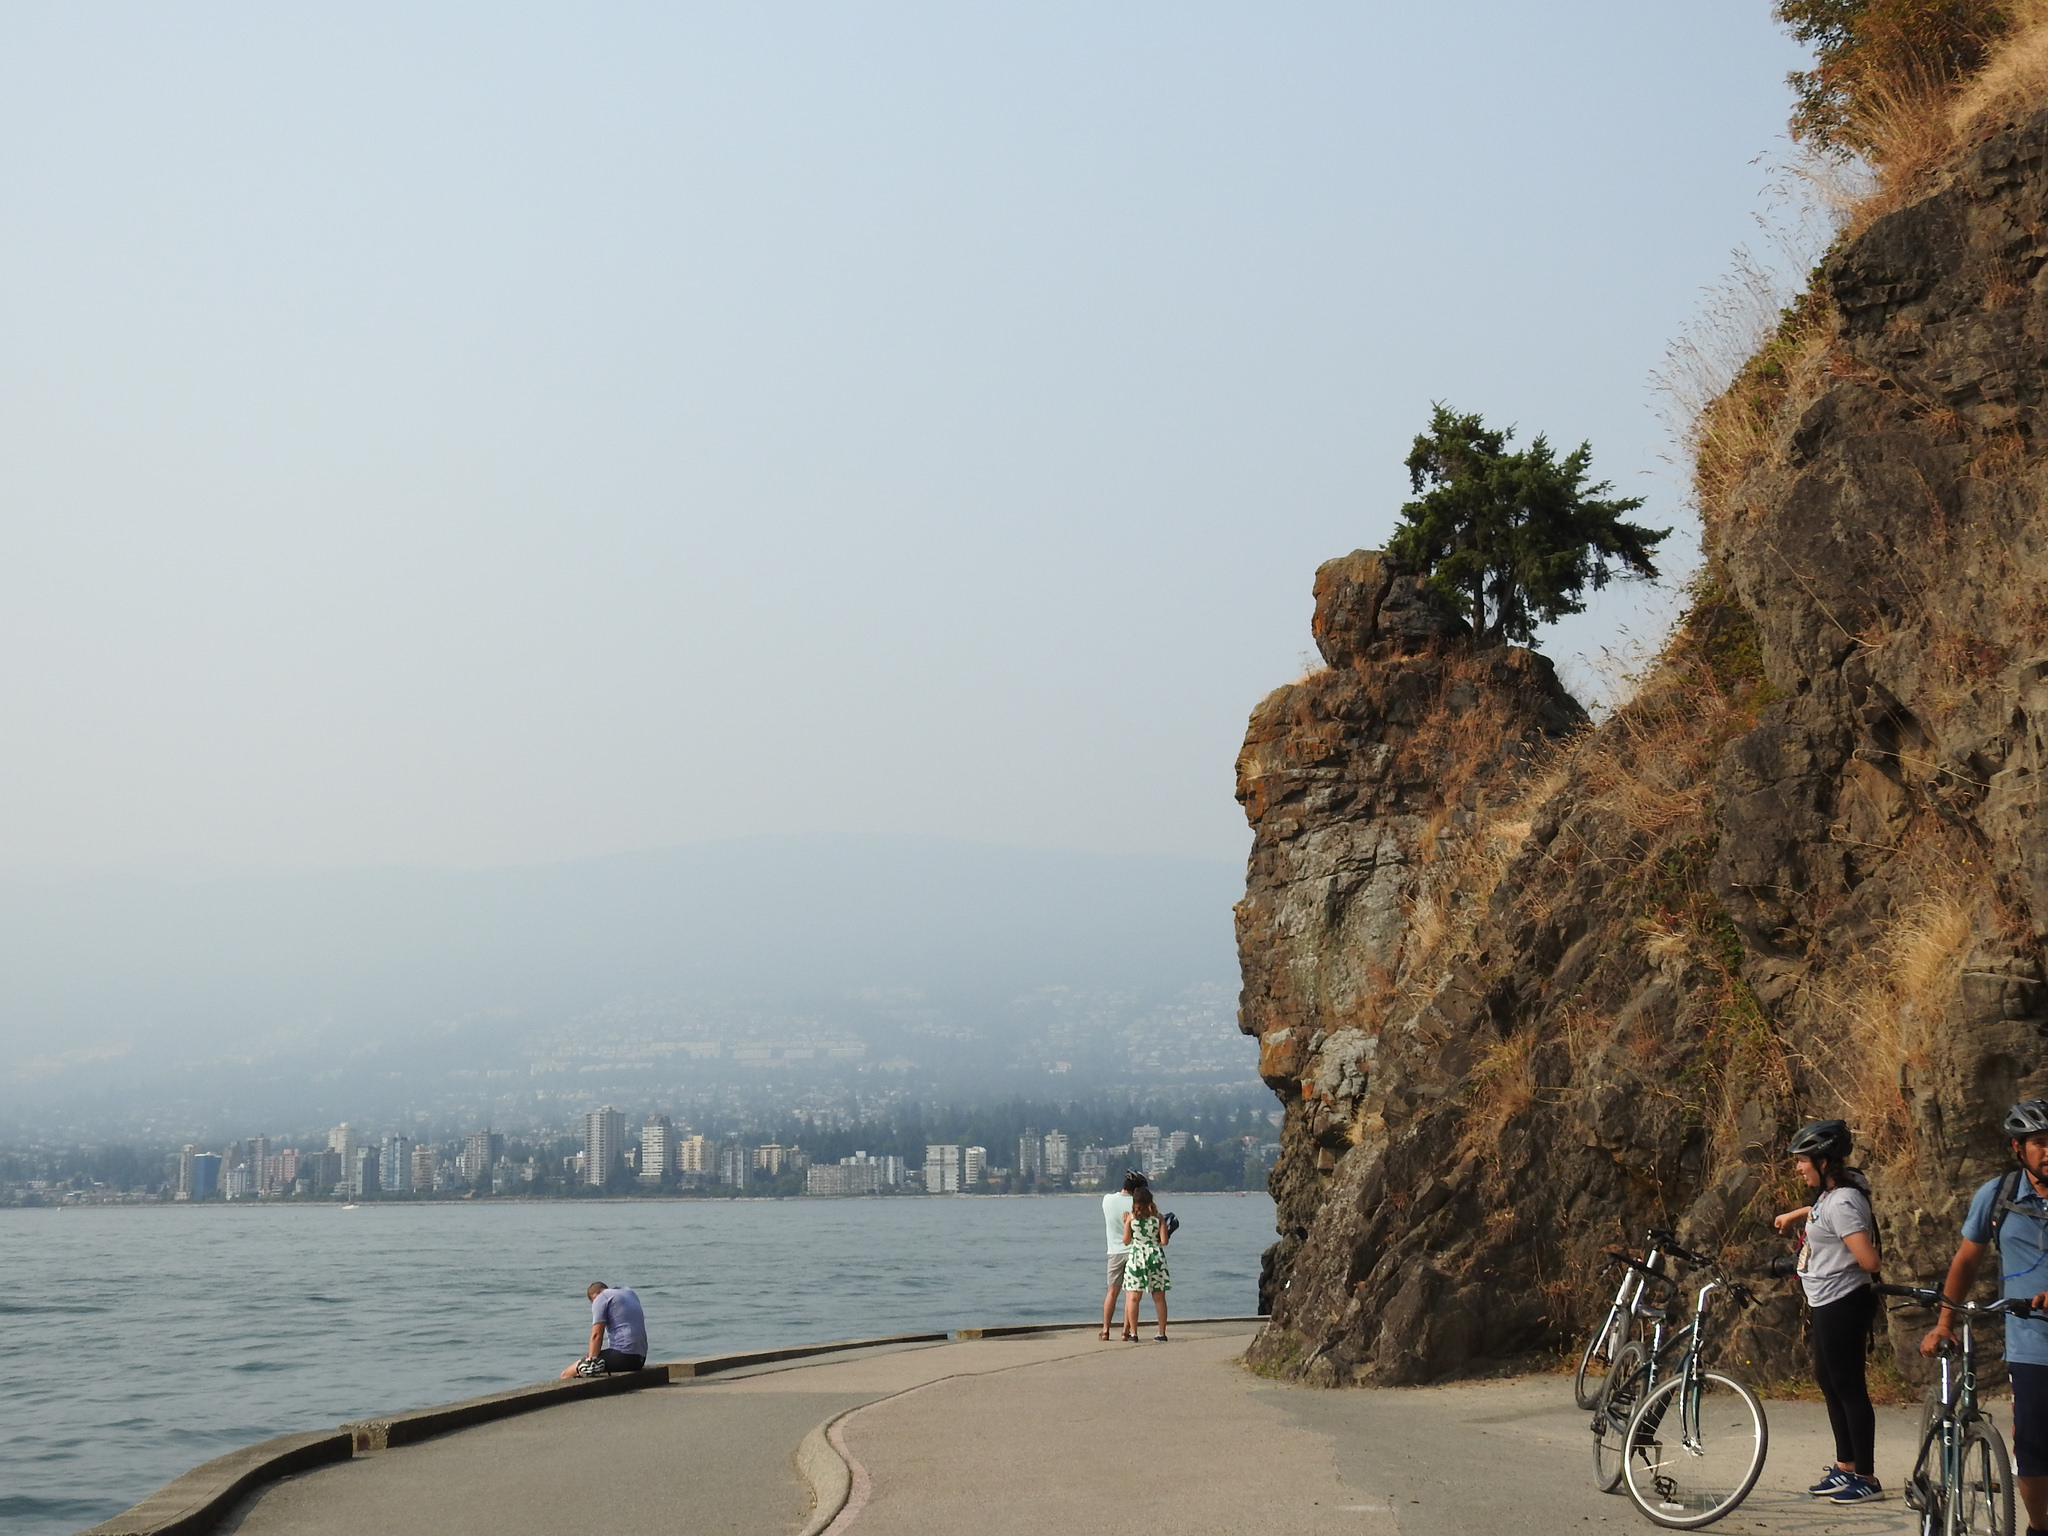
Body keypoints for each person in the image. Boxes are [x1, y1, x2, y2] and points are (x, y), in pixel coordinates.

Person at [1922, 1099, 2048, 1536]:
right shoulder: (1998, 1196)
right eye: (2039, 1143)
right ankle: (2038, 1526)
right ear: (2019, 1148)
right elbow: (1966, 1262)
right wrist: (1944, 1322)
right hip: (2031, 1346)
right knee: (2033, 1451)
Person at [1772, 1118, 1883, 1504]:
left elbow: (1868, 1259)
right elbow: (1828, 1212)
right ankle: (1846, 1467)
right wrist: (1799, 1214)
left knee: (1849, 1387)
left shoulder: (1845, 1201)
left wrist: (1830, 1257)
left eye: (1803, 1161)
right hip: (1826, 1300)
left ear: (1823, 1161)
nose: (1798, 1167)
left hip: (1845, 1301)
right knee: (1829, 1381)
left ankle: (1866, 1477)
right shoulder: (1831, 1193)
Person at [559, 1280, 647, 1378]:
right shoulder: (629, 1292)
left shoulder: (601, 1298)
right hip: (640, 1359)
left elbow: (596, 1335)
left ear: (594, 1296)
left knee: (566, 1374)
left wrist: (591, 1362)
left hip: (623, 1356)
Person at [1122, 1181, 1171, 1342]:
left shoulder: (1131, 1218)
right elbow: (1164, 1241)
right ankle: (1162, 1333)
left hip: (1137, 1257)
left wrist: (1126, 1224)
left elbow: (1126, 1241)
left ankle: (1134, 1333)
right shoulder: (1158, 1218)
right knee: (1159, 1298)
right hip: (1155, 1257)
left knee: (1134, 1297)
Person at [1101, 1171, 1142, 1341]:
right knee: (1130, 1294)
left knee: (1112, 1292)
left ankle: (1105, 1330)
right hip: (1134, 1251)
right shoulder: (1138, 1204)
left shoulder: (1107, 1200)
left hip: (1114, 1251)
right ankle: (1126, 1331)